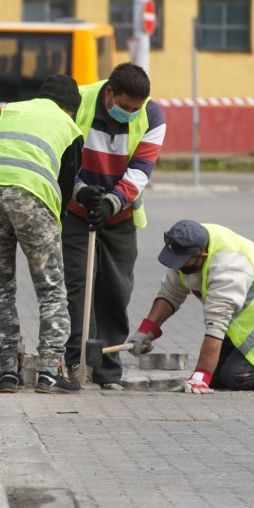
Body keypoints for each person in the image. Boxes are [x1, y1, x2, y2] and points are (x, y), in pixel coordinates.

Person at [0, 74, 84, 394]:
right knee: (51, 288)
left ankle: (7, 372)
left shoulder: (5, 112)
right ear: (70, 109)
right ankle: (48, 371)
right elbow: (66, 186)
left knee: (0, 289)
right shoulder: (70, 127)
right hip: (31, 197)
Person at [62, 63, 166, 390]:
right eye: (124, 107)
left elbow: (140, 170)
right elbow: (60, 157)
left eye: (135, 109)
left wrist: (111, 203)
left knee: (115, 291)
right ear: (109, 93)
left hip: (120, 216)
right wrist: (80, 190)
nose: (130, 114)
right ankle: (77, 365)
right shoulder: (77, 101)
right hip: (76, 211)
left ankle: (108, 372)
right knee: (79, 289)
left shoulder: (153, 116)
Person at [127, 219, 254, 392]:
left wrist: (200, 376)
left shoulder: (228, 267)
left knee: (237, 377)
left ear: (203, 254)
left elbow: (216, 326)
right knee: (217, 378)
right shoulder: (186, 245)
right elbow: (169, 294)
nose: (177, 265)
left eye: (183, 261)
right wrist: (145, 332)